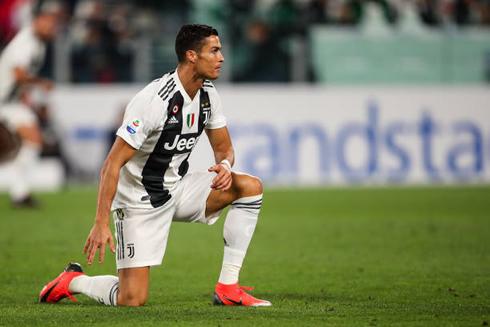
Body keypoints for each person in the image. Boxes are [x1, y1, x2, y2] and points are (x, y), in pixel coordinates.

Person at [39, 24, 271, 307]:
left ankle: (228, 288)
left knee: (249, 187)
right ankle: (74, 280)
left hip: (179, 188)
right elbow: (112, 164)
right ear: (191, 56)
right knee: (131, 299)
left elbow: (224, 148)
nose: (221, 57)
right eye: (214, 50)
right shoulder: (153, 102)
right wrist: (101, 222)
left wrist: (223, 164)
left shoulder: (209, 95)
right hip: (138, 200)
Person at [0, 2, 60, 208]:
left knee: (32, 141)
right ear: (37, 21)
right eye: (48, 24)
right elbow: (19, 74)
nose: (52, 29)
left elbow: (18, 78)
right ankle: (20, 193)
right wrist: (41, 83)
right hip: (3, 102)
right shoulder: (25, 42)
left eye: (54, 25)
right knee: (33, 140)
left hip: (10, 102)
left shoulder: (38, 44)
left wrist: (28, 98)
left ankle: (20, 192)